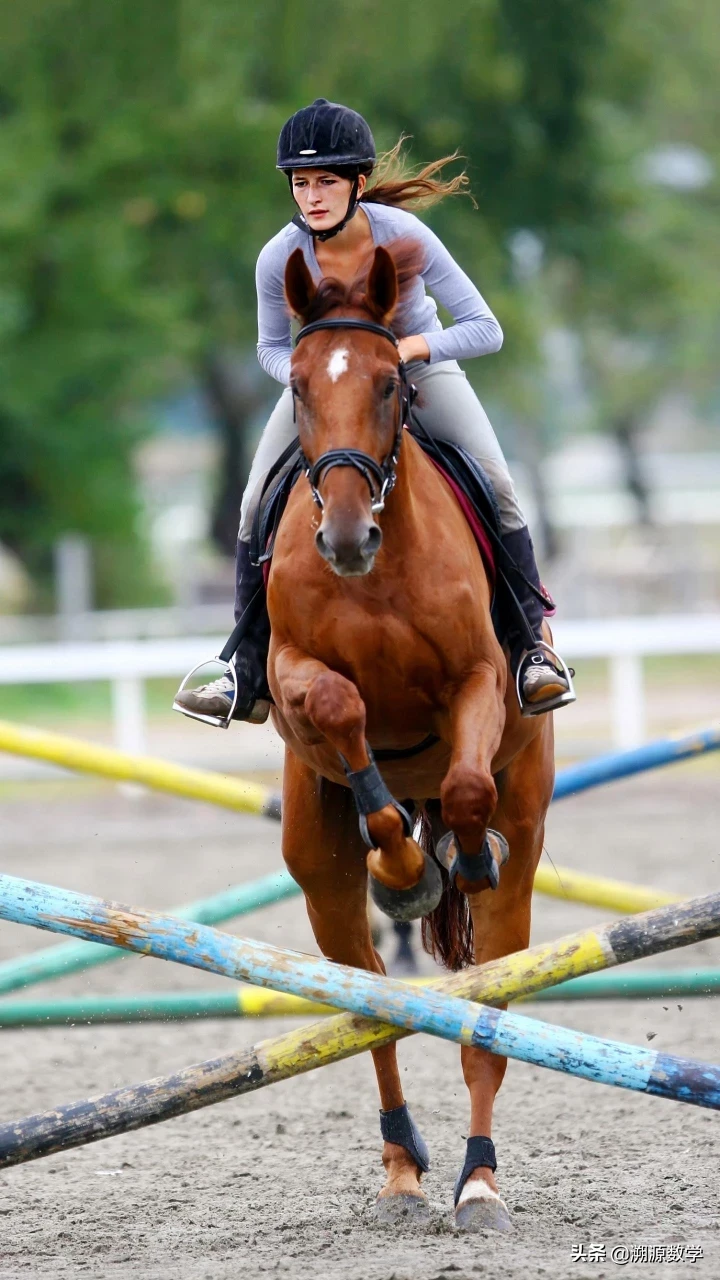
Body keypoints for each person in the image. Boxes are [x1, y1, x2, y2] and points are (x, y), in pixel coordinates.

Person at [174, 98, 574, 726]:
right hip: (326, 384)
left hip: (419, 368)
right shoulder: (278, 256)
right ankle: (243, 668)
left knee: (498, 485)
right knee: (255, 500)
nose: (311, 197)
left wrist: (402, 349)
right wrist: (311, 378)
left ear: (358, 183)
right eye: (301, 183)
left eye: (326, 182)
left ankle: (531, 651)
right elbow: (269, 348)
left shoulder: (405, 235)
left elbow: (485, 327)